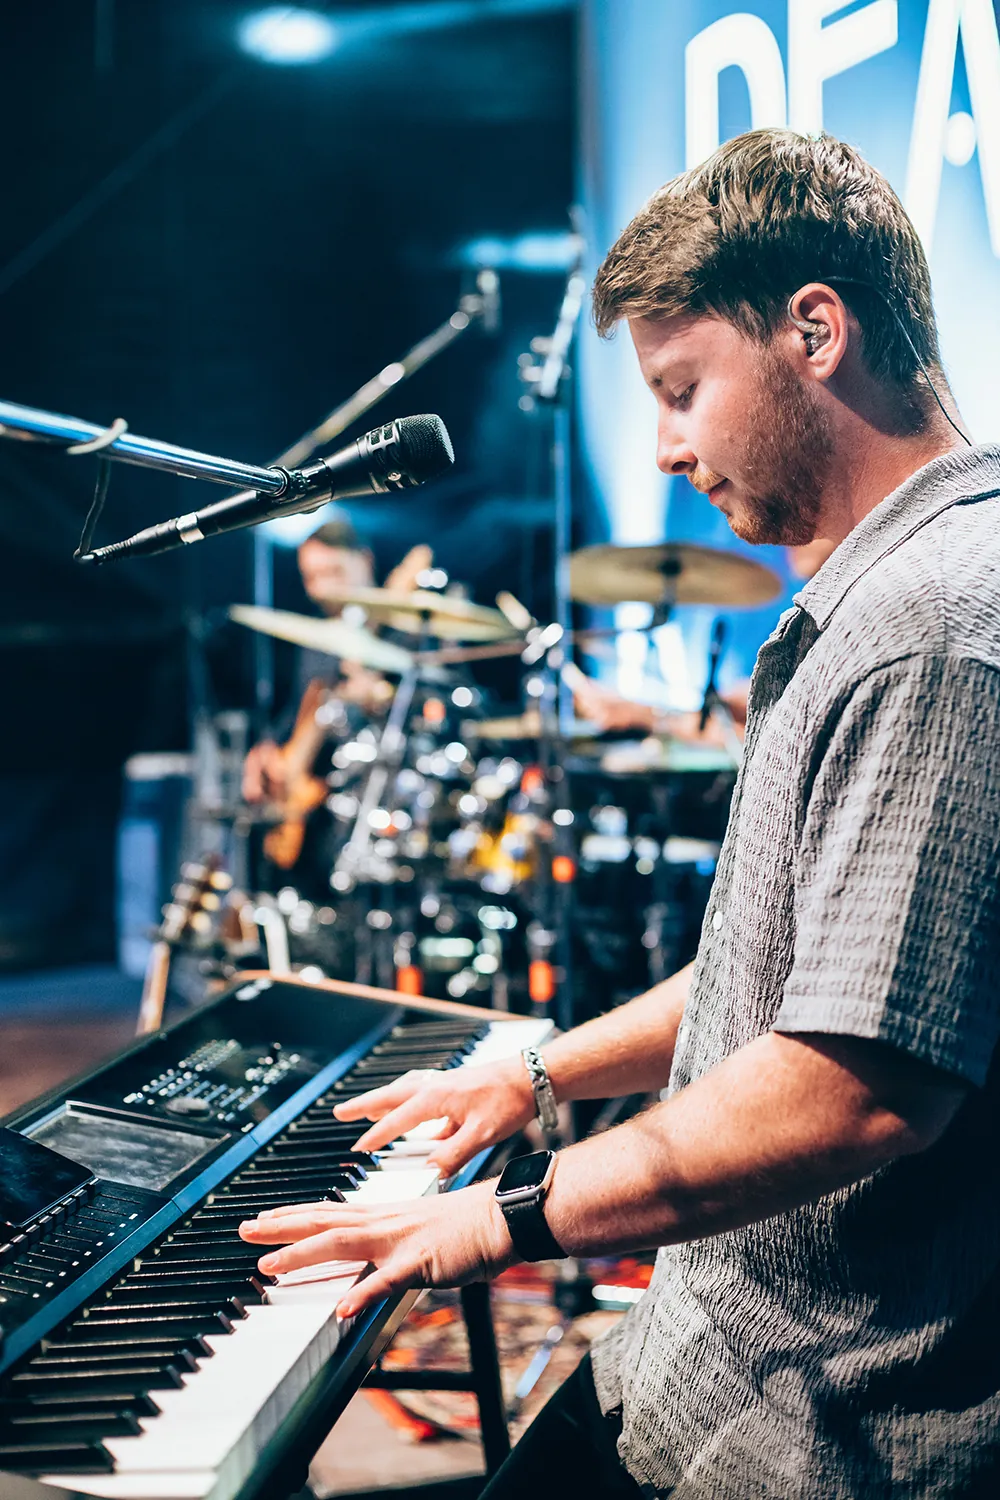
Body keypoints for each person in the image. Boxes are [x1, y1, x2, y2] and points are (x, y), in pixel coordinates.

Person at [241, 129, 1000, 1497]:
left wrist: (500, 1219)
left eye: (682, 389)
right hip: (706, 1369)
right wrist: (533, 1074)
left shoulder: (935, 631)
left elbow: (848, 1088)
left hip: (813, 1441)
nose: (660, 448)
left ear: (814, 331)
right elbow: (804, 979)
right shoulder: (887, 602)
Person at [569, 540, 834, 743]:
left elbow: (773, 743)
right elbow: (757, 704)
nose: (790, 538)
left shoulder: (849, 625)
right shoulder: (813, 624)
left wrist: (644, 716)